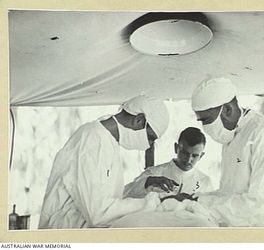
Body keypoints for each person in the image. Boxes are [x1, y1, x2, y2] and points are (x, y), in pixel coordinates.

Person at [38, 95, 169, 229]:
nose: (149, 144)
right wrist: (153, 204)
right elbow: (98, 213)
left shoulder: (108, 141)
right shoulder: (92, 138)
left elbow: (110, 200)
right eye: (151, 138)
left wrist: (143, 186)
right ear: (139, 120)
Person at [191, 77, 264, 227]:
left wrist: (201, 203)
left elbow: (262, 206)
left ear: (227, 110)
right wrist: (194, 198)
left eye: (206, 120)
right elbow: (228, 194)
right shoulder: (231, 136)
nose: (204, 126)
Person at [123, 127, 214, 201]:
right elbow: (125, 195)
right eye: (185, 153)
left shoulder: (205, 182)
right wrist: (148, 182)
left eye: (194, 156)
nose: (188, 159)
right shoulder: (153, 173)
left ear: (201, 156)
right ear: (176, 148)